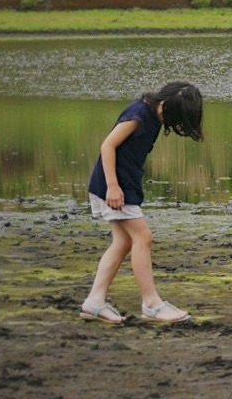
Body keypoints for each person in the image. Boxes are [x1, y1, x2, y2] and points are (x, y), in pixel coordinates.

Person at [78, 82, 204, 324]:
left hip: (125, 184)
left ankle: (94, 302)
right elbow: (107, 145)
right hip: (114, 186)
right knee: (142, 237)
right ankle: (152, 304)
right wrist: (113, 187)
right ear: (165, 105)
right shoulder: (138, 116)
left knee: (124, 241)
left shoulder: (153, 115)